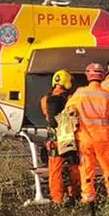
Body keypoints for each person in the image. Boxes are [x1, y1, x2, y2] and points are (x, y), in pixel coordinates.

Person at [66, 62, 109, 203]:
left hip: (84, 139)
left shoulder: (79, 93)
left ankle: (89, 204)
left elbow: (68, 113)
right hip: (103, 139)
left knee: (86, 170)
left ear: (88, 76)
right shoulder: (108, 95)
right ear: (102, 76)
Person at [41, 69, 79, 206]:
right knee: (74, 168)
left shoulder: (45, 100)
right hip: (68, 139)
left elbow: (47, 117)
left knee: (55, 171)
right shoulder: (70, 99)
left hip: (53, 140)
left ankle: (57, 200)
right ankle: (74, 195)